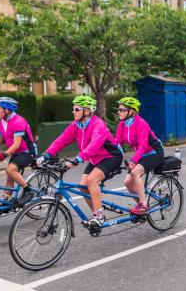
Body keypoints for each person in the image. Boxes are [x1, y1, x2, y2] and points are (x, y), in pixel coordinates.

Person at [36, 95, 123, 227]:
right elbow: (61, 140)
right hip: (95, 159)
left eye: (76, 109)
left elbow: (94, 144)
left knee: (91, 181)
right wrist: (46, 155)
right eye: (73, 109)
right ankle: (96, 215)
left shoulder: (97, 124)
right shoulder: (76, 125)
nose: (73, 112)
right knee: (83, 187)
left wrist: (77, 159)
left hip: (111, 157)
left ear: (87, 111)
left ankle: (98, 216)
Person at [114, 97, 164, 215]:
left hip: (155, 152)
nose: (118, 112)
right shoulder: (122, 124)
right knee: (127, 182)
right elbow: (117, 144)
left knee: (135, 172)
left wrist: (133, 161)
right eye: (119, 109)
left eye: (122, 110)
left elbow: (142, 145)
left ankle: (142, 205)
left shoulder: (141, 123)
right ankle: (142, 204)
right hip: (142, 154)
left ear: (131, 111)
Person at [0, 97, 38, 206]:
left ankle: (29, 190)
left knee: (10, 170)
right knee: (9, 175)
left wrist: (4, 154)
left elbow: (16, 144)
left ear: (6, 110)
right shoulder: (2, 122)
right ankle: (6, 201)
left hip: (28, 151)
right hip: (16, 153)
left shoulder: (18, 121)